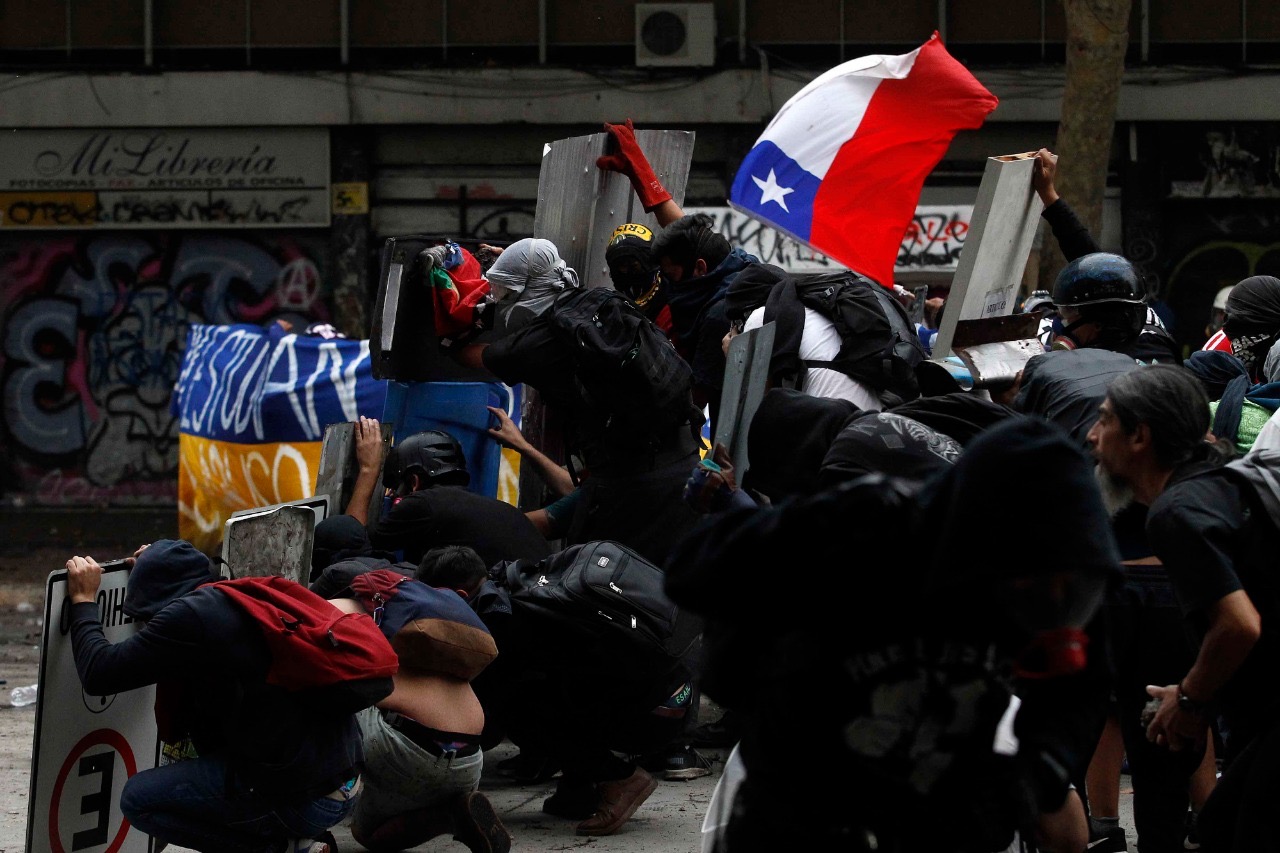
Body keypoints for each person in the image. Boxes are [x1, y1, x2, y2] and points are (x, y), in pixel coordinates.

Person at [666, 416, 1121, 852]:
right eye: (1034, 586)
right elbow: (693, 573)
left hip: (929, 802)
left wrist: (1035, 771)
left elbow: (1079, 689)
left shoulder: (1069, 575)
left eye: (1069, 593)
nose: (1049, 607)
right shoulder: (872, 527)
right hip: (801, 792)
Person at [64, 540, 369, 853]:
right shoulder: (235, 598)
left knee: (138, 800)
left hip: (308, 801)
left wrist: (84, 600)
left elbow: (99, 673)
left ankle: (285, 848)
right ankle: (297, 839)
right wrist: (152, 569)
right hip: (346, 784)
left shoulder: (189, 618)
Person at [1089, 364, 1280, 852]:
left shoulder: (1177, 513)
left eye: (1105, 420)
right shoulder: (1218, 482)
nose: (1092, 435)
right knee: (1217, 830)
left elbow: (1238, 626)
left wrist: (1190, 700)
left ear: (1140, 437)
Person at [419, 543, 696, 837]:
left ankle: (622, 779)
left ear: (460, 596)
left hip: (651, 716)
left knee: (518, 711)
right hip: (676, 694)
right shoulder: (516, 576)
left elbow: (485, 726)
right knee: (552, 685)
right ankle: (578, 791)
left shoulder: (501, 618)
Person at [325, 570, 510, 853]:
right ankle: (456, 810)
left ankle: (446, 816)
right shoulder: (426, 625)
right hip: (469, 759)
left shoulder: (340, 611)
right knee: (409, 792)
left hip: (404, 748)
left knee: (367, 833)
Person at [1032, 148, 1181, 365]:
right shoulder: (1130, 314)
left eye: (1069, 313)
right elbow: (1094, 264)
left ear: (1097, 326)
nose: (1062, 322)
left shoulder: (1113, 374)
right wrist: (1049, 196)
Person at [345, 416, 551, 567]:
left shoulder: (423, 504)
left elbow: (350, 543)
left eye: (398, 491)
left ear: (414, 482)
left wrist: (368, 470)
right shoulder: (497, 508)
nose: (395, 498)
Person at [1202, 275, 1280, 383]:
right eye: (1226, 316)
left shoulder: (1277, 351)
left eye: (1244, 321)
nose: (1227, 325)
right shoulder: (1219, 349)